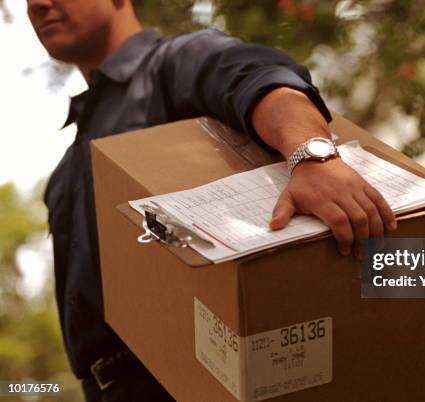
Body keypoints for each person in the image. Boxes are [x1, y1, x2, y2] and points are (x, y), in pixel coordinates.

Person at [27, 0, 397, 400]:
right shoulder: (67, 167)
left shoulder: (176, 61)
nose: (37, 4)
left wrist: (312, 155)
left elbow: (262, 79)